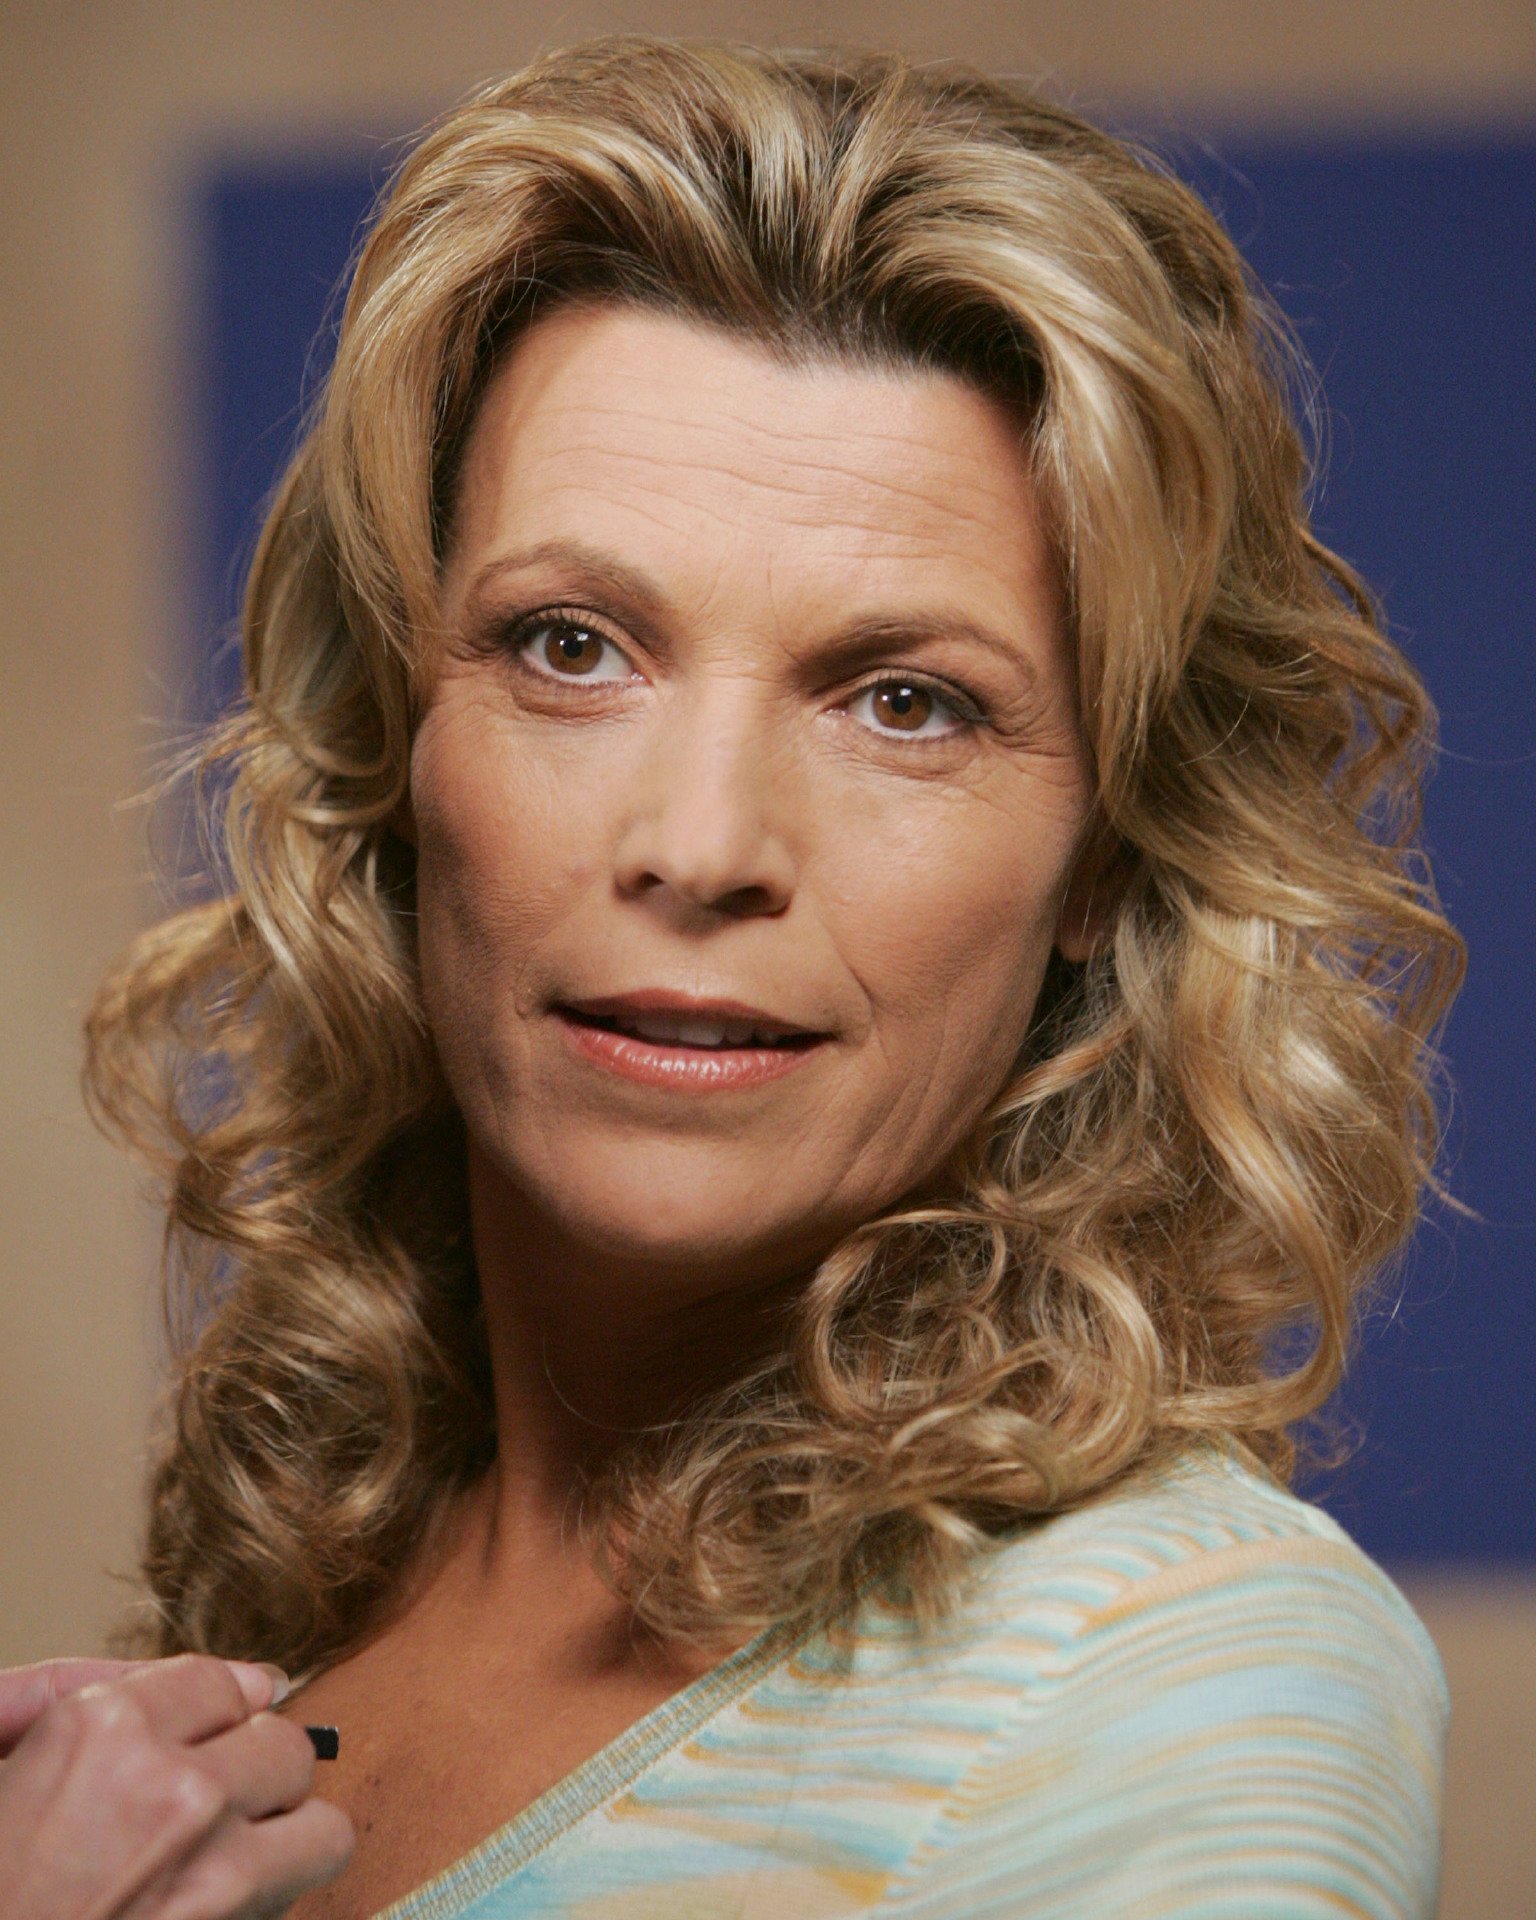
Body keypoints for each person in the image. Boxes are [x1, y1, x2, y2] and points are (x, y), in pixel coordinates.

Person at [7, 34, 1465, 1920]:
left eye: (905, 702)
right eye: (572, 647)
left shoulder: (1190, 1678)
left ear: (1111, 853)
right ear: (396, 740)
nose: (701, 845)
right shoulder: (306, 1601)